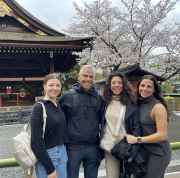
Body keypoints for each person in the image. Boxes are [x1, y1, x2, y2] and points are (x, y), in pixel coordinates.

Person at [59, 65, 103, 178]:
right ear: (78, 77)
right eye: (85, 75)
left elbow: (103, 122)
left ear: (94, 79)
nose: (88, 79)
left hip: (93, 147)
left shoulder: (99, 98)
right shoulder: (67, 96)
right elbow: (59, 121)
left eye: (91, 76)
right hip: (73, 147)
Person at [127, 75, 171, 178]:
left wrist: (137, 140)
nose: (145, 89)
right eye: (142, 85)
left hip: (158, 153)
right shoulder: (137, 103)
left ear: (154, 89)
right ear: (138, 87)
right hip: (143, 152)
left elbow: (162, 135)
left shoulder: (158, 107)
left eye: (149, 86)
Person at [100, 72, 140, 178]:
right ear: (109, 85)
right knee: (112, 175)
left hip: (125, 147)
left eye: (119, 83)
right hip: (110, 146)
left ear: (124, 85)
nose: (116, 85)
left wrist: (134, 146)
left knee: (127, 175)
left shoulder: (131, 102)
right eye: (114, 83)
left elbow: (136, 127)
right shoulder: (105, 101)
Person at [31, 73, 67, 178]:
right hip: (48, 155)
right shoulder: (39, 107)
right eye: (51, 85)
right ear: (44, 86)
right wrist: (50, 169)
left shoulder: (58, 105)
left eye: (57, 85)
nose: (54, 88)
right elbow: (35, 141)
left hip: (62, 152)